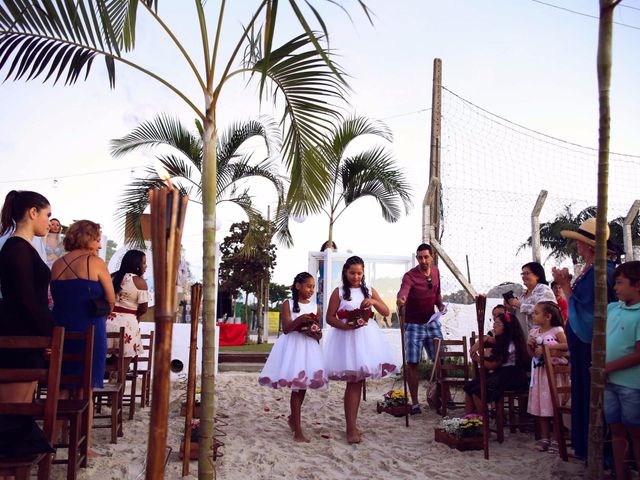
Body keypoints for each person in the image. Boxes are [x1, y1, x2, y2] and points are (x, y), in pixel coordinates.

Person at [552, 217, 616, 459]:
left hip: (588, 343)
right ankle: (585, 446)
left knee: (590, 392)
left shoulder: (601, 271)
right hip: (580, 343)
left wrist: (565, 287)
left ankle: (597, 450)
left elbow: (589, 313)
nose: (576, 247)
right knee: (583, 389)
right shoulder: (591, 269)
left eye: (579, 242)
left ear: (589, 246)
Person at [324, 256, 397, 443]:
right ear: (345, 273)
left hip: (366, 340)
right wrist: (346, 326)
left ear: (363, 273)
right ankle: (350, 428)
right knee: (353, 383)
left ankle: (353, 424)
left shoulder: (369, 290)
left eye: (359, 273)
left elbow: (386, 312)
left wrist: (373, 301)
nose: (356, 277)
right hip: (347, 339)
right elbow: (330, 318)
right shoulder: (339, 292)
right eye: (352, 273)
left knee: (358, 383)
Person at [258, 272, 326, 442]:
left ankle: (292, 419)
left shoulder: (316, 307)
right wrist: (301, 319)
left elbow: (318, 333)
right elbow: (287, 328)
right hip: (293, 348)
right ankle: (297, 430)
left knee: (302, 386)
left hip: (309, 349)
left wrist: (314, 332)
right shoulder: (287, 304)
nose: (311, 290)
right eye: (308, 286)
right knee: (296, 387)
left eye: (313, 287)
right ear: (298, 286)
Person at [0, 190, 54, 403]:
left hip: (27, 333)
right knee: (13, 411)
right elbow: (27, 299)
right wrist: (49, 331)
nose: (49, 221)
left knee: (21, 408)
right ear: (33, 212)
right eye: (47, 215)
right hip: (20, 334)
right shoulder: (17, 248)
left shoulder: (23, 247)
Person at [51, 220, 115, 390]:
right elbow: (111, 300)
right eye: (97, 240)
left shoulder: (57, 265)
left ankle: (59, 417)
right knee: (87, 389)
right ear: (86, 238)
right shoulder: (96, 263)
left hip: (61, 331)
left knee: (62, 387)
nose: (100, 246)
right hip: (91, 331)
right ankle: (85, 418)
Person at [396, 243, 445, 414]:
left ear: (432, 257)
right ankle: (415, 403)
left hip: (431, 321)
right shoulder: (410, 276)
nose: (423, 260)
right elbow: (404, 291)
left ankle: (443, 397)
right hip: (413, 324)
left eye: (426, 257)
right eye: (420, 257)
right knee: (413, 363)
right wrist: (401, 300)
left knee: (440, 360)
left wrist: (441, 305)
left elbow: (437, 292)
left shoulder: (437, 271)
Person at [604, 261, 640, 480]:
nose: (615, 288)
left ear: (637, 285)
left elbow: (638, 353)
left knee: (636, 433)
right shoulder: (612, 308)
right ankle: (621, 474)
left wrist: (608, 367)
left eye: (620, 283)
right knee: (615, 430)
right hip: (609, 383)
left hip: (632, 385)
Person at [464, 311, 529, 415]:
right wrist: (479, 343)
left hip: (511, 376)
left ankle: (484, 424)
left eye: (498, 324)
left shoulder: (510, 345)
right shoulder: (504, 340)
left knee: (478, 391)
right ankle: (468, 420)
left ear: (507, 328)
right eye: (494, 323)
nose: (494, 327)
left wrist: (477, 358)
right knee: (469, 387)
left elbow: (492, 365)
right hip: (503, 374)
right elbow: (487, 338)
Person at [526, 301, 568, 452]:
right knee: (542, 407)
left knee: (553, 405)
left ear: (548, 316)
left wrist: (547, 349)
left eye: (536, 313)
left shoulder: (556, 330)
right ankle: (545, 438)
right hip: (540, 373)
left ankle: (558, 438)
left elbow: (566, 346)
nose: (533, 315)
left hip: (553, 374)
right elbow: (531, 355)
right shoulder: (534, 332)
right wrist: (530, 346)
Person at [107, 249, 148, 372]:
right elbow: (143, 309)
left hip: (106, 324)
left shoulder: (111, 276)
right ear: (136, 265)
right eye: (144, 263)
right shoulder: (140, 282)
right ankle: (117, 391)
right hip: (128, 327)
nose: (146, 266)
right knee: (121, 373)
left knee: (104, 368)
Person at [506, 262, 556, 334]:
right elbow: (513, 317)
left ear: (537, 275)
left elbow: (546, 311)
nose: (523, 276)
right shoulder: (522, 295)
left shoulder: (544, 290)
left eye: (526, 273)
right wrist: (510, 309)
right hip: (523, 339)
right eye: (522, 274)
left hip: (542, 337)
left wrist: (519, 305)